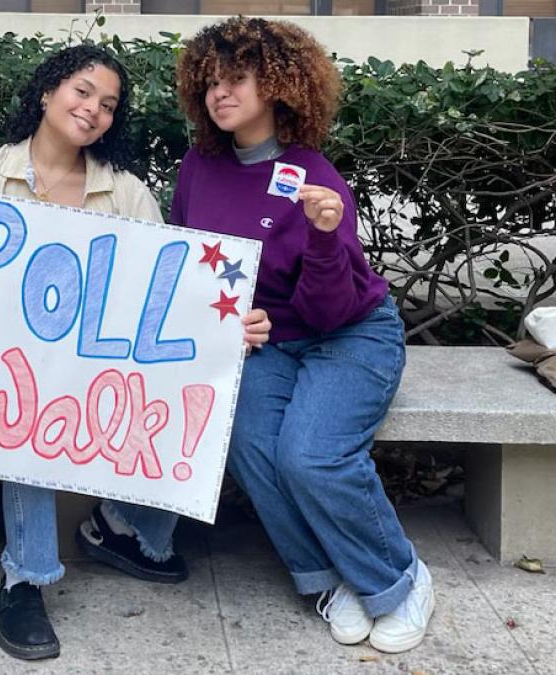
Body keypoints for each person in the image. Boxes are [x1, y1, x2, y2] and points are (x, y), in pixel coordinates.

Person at [0, 44, 270, 661]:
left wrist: (226, 325)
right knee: (7, 397)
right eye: (82, 92)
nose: (93, 110)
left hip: (73, 386)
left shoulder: (127, 193)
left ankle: (24, 582)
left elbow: (165, 295)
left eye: (108, 105)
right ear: (47, 93)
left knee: (39, 405)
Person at [169, 17, 435, 654]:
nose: (220, 93)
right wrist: (228, 318)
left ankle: (398, 580)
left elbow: (330, 307)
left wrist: (321, 234)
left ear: (280, 86)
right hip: (265, 342)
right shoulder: (198, 169)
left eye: (238, 79)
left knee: (311, 456)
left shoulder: (313, 174)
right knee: (248, 444)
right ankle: (327, 579)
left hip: (349, 334)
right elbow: (187, 267)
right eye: (211, 82)